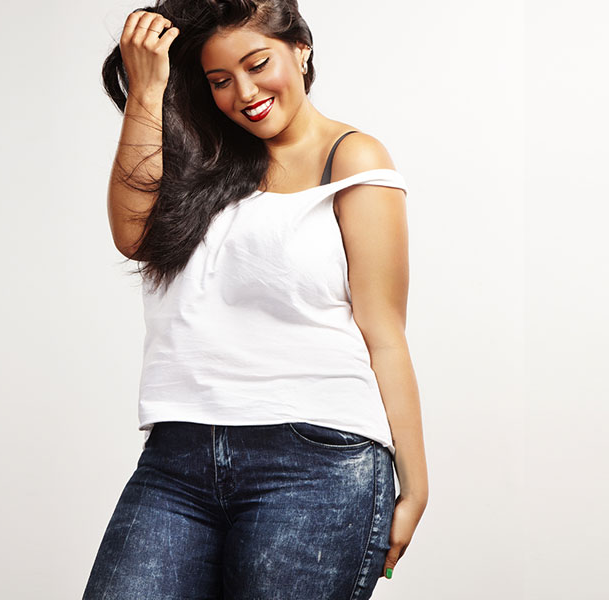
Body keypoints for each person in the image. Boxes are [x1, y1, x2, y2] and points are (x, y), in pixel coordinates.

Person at [84, 1, 428, 598]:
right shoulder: (201, 163)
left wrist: (415, 483)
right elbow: (133, 235)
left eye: (257, 63)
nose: (244, 92)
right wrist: (145, 92)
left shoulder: (352, 159)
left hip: (316, 460)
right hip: (177, 458)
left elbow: (385, 333)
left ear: (301, 48)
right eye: (220, 80)